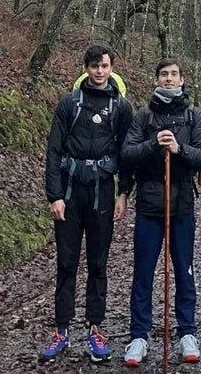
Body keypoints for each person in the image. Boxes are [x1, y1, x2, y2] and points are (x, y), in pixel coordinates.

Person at [42, 45, 134, 363]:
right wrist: (54, 195)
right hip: (69, 192)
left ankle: (95, 329)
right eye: (94, 65)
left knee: (98, 263)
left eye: (104, 66)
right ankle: (62, 330)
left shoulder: (121, 108)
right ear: (85, 68)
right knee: (66, 263)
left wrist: (124, 193)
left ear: (111, 69)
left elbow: (127, 153)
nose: (99, 71)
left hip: (102, 191)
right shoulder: (69, 104)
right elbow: (54, 151)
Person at [119, 58, 201, 367]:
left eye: (174, 74)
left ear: (182, 79)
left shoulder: (193, 115)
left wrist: (178, 150)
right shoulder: (143, 115)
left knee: (184, 270)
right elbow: (127, 154)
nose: (169, 79)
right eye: (164, 75)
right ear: (157, 79)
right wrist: (153, 145)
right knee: (143, 273)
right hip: (148, 205)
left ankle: (187, 332)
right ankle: (139, 336)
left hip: (182, 204)